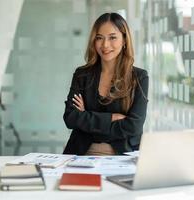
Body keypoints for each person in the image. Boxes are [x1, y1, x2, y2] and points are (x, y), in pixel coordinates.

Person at [63, 12, 149, 155]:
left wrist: (87, 117)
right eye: (99, 38)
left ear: (124, 40)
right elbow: (71, 118)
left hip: (122, 157)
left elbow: (134, 126)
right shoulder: (82, 74)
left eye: (112, 37)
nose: (105, 45)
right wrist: (111, 118)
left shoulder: (139, 77)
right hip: (81, 155)